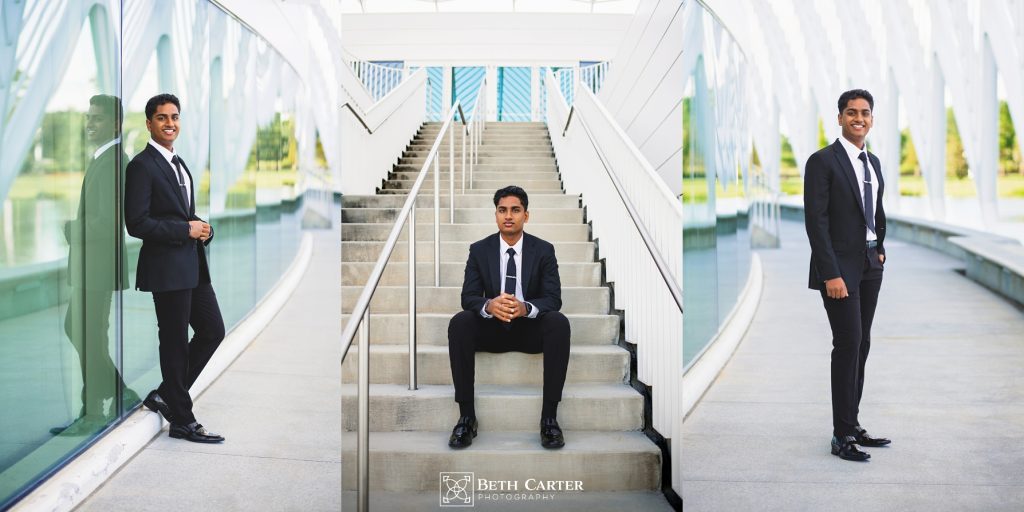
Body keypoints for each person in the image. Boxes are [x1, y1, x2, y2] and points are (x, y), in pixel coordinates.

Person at [124, 93, 225, 443]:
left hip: (191, 265)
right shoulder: (141, 165)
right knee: (174, 342)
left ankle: (166, 394)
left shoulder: (178, 164)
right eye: (162, 117)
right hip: (166, 270)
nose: (170, 123)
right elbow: (136, 223)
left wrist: (201, 228)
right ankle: (182, 419)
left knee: (213, 331)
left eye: (175, 117)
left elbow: (181, 214)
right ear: (149, 123)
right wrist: (185, 229)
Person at [447, 186, 571, 449]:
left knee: (559, 322)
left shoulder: (544, 250)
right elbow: (468, 297)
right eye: (502, 210)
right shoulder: (479, 250)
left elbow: (553, 299)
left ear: (526, 215)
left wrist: (526, 307)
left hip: (529, 330)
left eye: (515, 210)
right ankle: (466, 417)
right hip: (492, 329)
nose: (508, 216)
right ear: (495, 215)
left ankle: (549, 419)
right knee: (460, 322)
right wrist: (489, 305)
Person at [804, 89, 891, 462]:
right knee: (848, 343)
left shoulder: (873, 163)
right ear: (839, 117)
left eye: (865, 112)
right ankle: (841, 436)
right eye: (852, 112)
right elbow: (816, 222)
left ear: (871, 119)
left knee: (863, 344)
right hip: (839, 270)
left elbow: (876, 209)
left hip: (871, 264)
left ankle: (852, 424)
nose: (859, 118)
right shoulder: (822, 161)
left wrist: (880, 247)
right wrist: (830, 274)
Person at [51, 94, 136, 436]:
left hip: (99, 268)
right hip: (93, 267)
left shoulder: (115, 161)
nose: (89, 124)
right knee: (81, 331)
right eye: (88, 117)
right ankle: (119, 394)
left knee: (88, 335)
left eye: (97, 118)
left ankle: (94, 413)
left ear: (116, 124)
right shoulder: (105, 158)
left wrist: (72, 229)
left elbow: (110, 221)